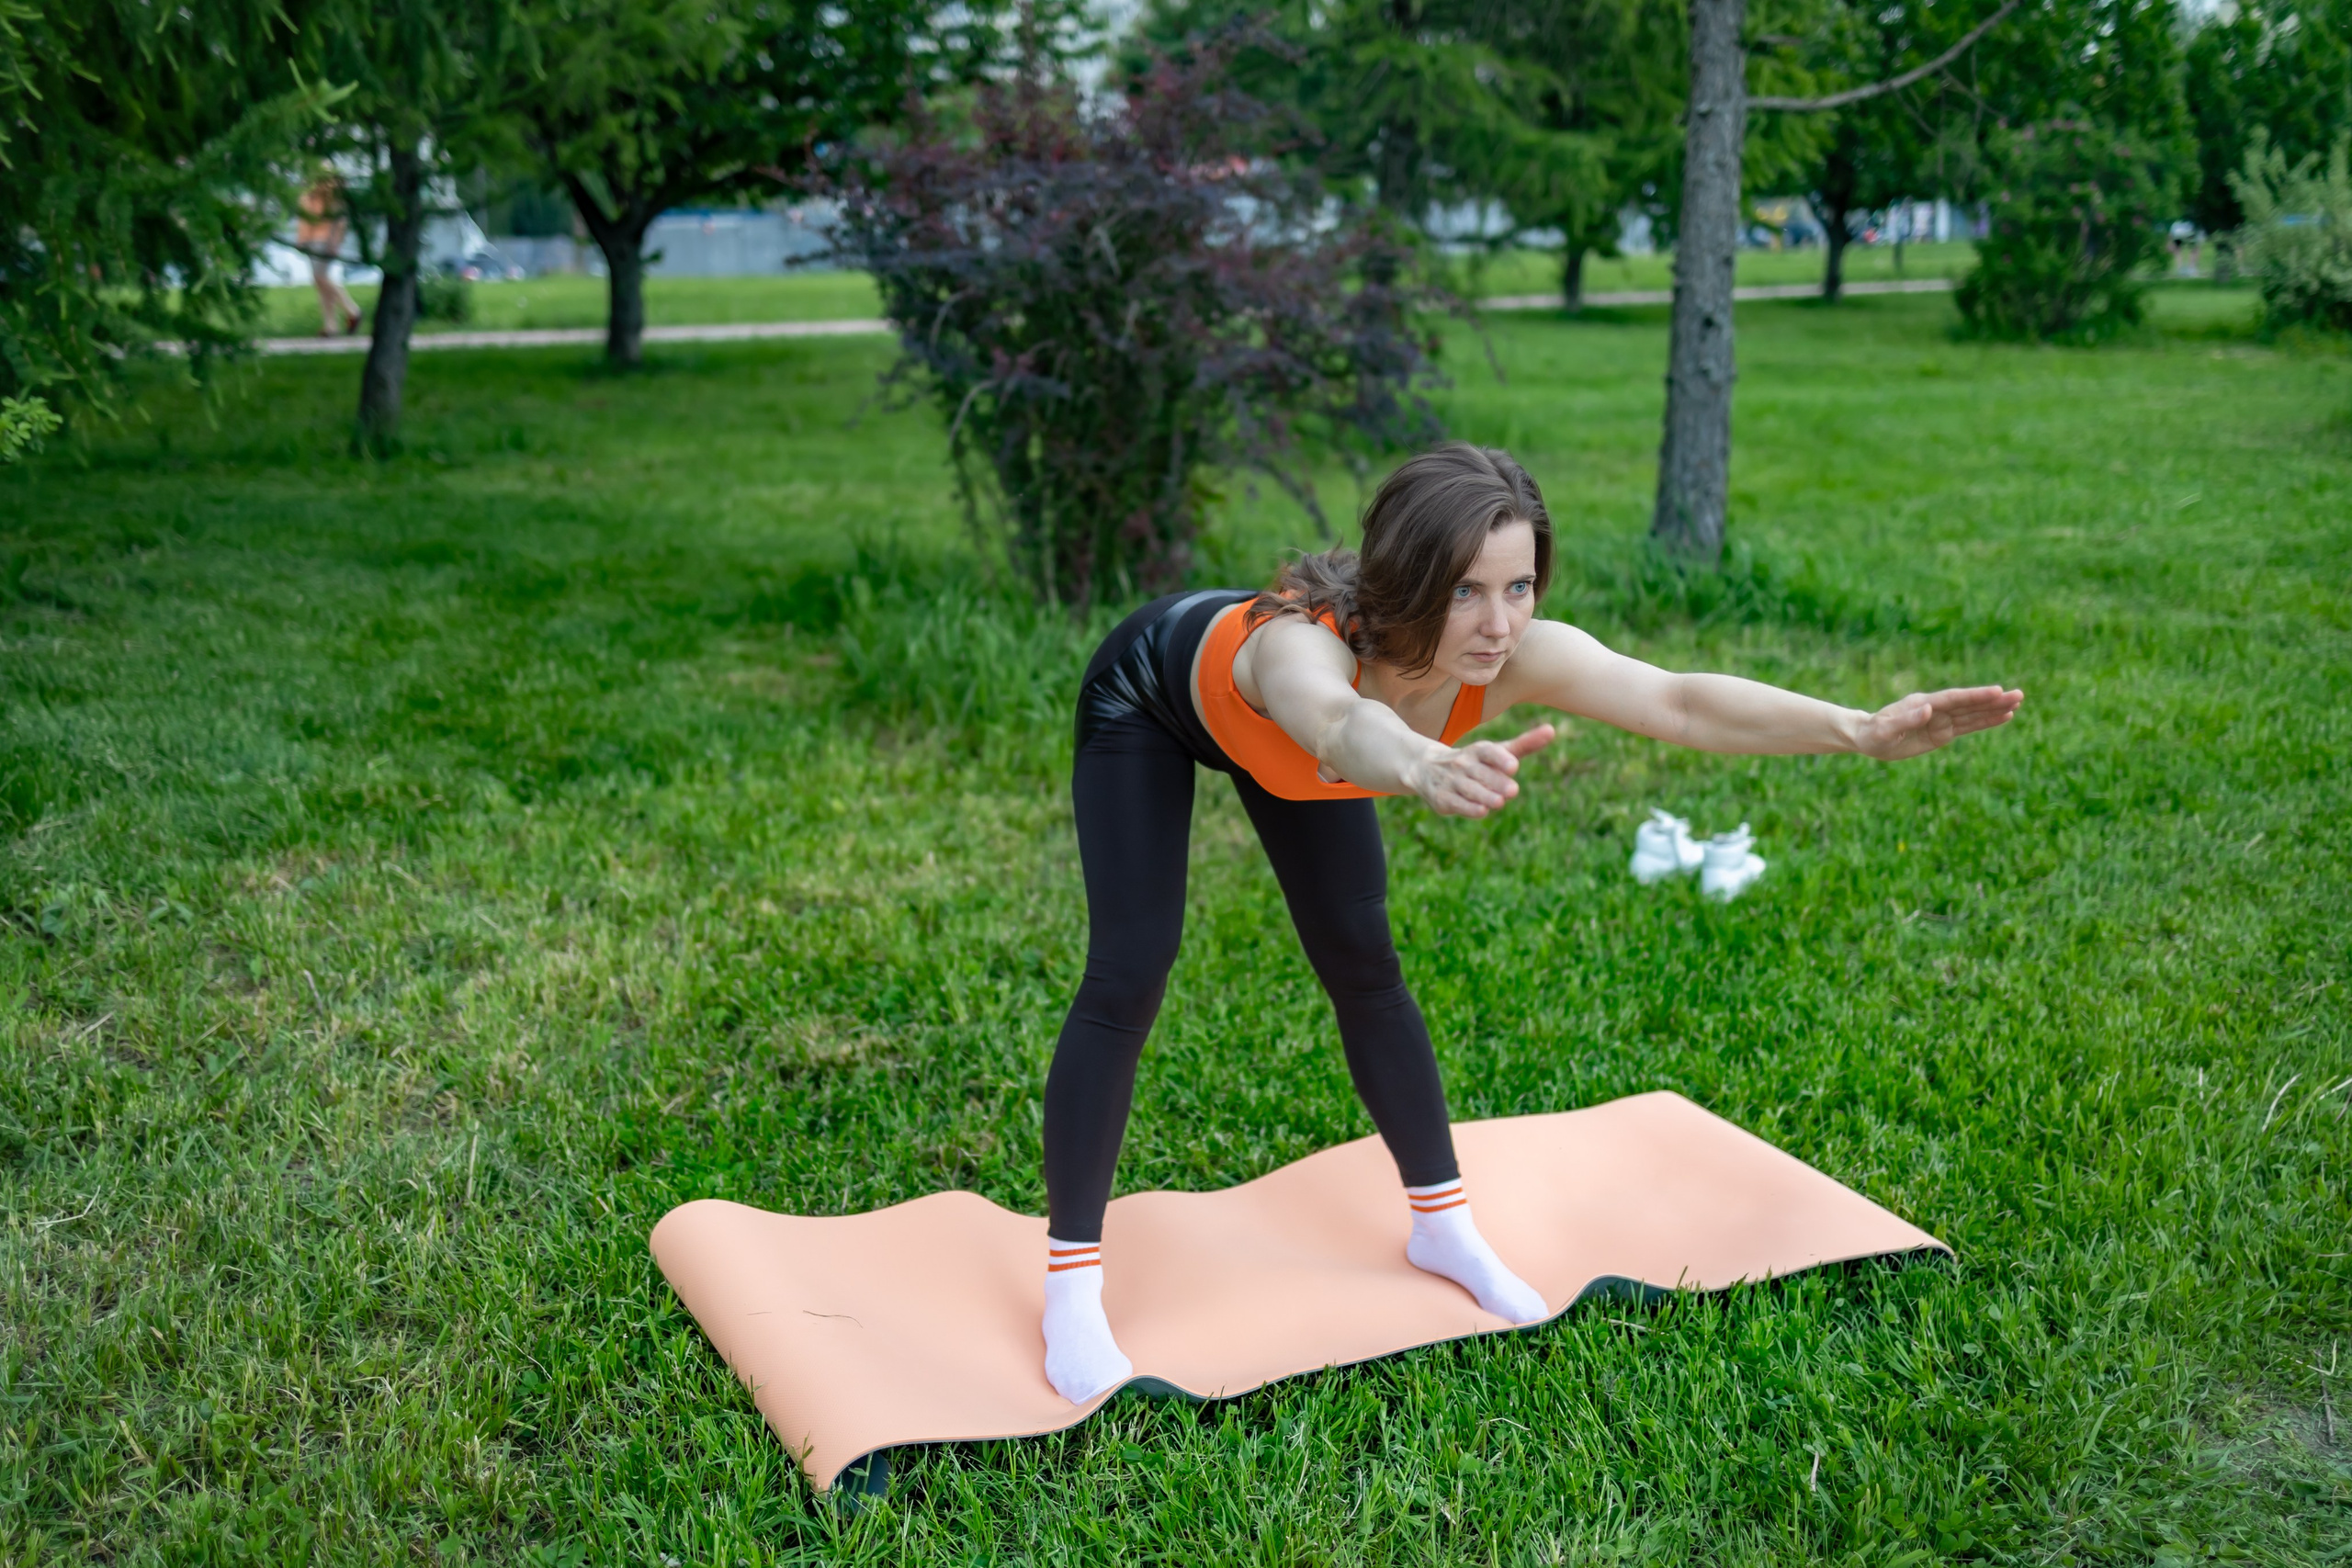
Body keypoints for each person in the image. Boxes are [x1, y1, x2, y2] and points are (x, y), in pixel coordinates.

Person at [1039, 443, 2023, 1404]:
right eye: (1466, 589)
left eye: (1520, 586)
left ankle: (1441, 1225)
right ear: (1405, 578)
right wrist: (1423, 764)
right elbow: (1336, 727)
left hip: (1329, 753)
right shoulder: (1298, 648)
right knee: (1130, 971)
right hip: (1152, 701)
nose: (1499, 622)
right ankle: (1072, 1286)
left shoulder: (1513, 655)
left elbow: (1677, 702)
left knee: (1365, 968)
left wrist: (1854, 728)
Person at [296, 175, 362, 338]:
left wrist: (335, 242)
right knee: (320, 283)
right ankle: (330, 326)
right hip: (312, 242)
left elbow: (340, 222)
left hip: (324, 243)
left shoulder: (333, 199)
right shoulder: (308, 197)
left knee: (321, 278)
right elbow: (304, 220)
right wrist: (302, 240)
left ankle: (352, 310)